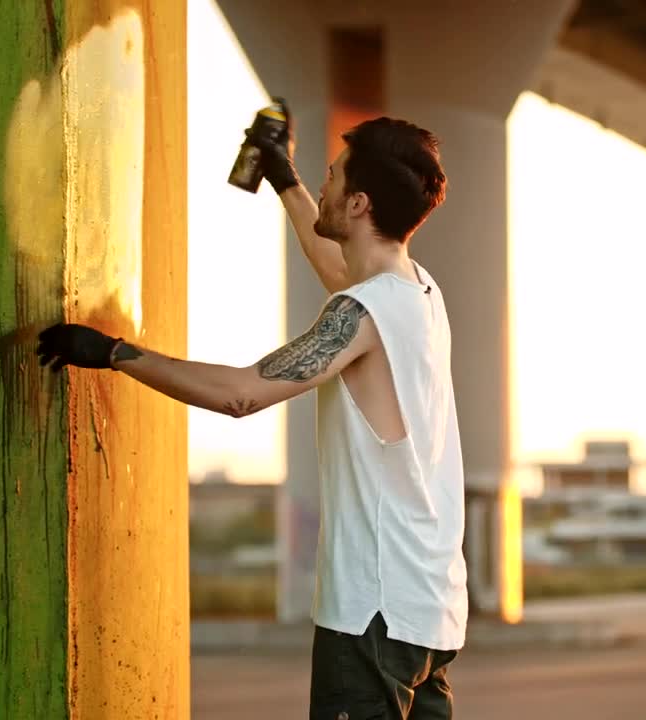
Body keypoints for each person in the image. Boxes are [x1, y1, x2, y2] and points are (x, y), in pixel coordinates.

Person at [36, 106, 467, 720]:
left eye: (333, 175)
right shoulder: (419, 290)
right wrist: (283, 176)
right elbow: (338, 271)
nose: (324, 183)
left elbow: (243, 394)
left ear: (359, 204)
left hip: (373, 613)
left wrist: (114, 353)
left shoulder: (361, 315)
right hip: (431, 609)